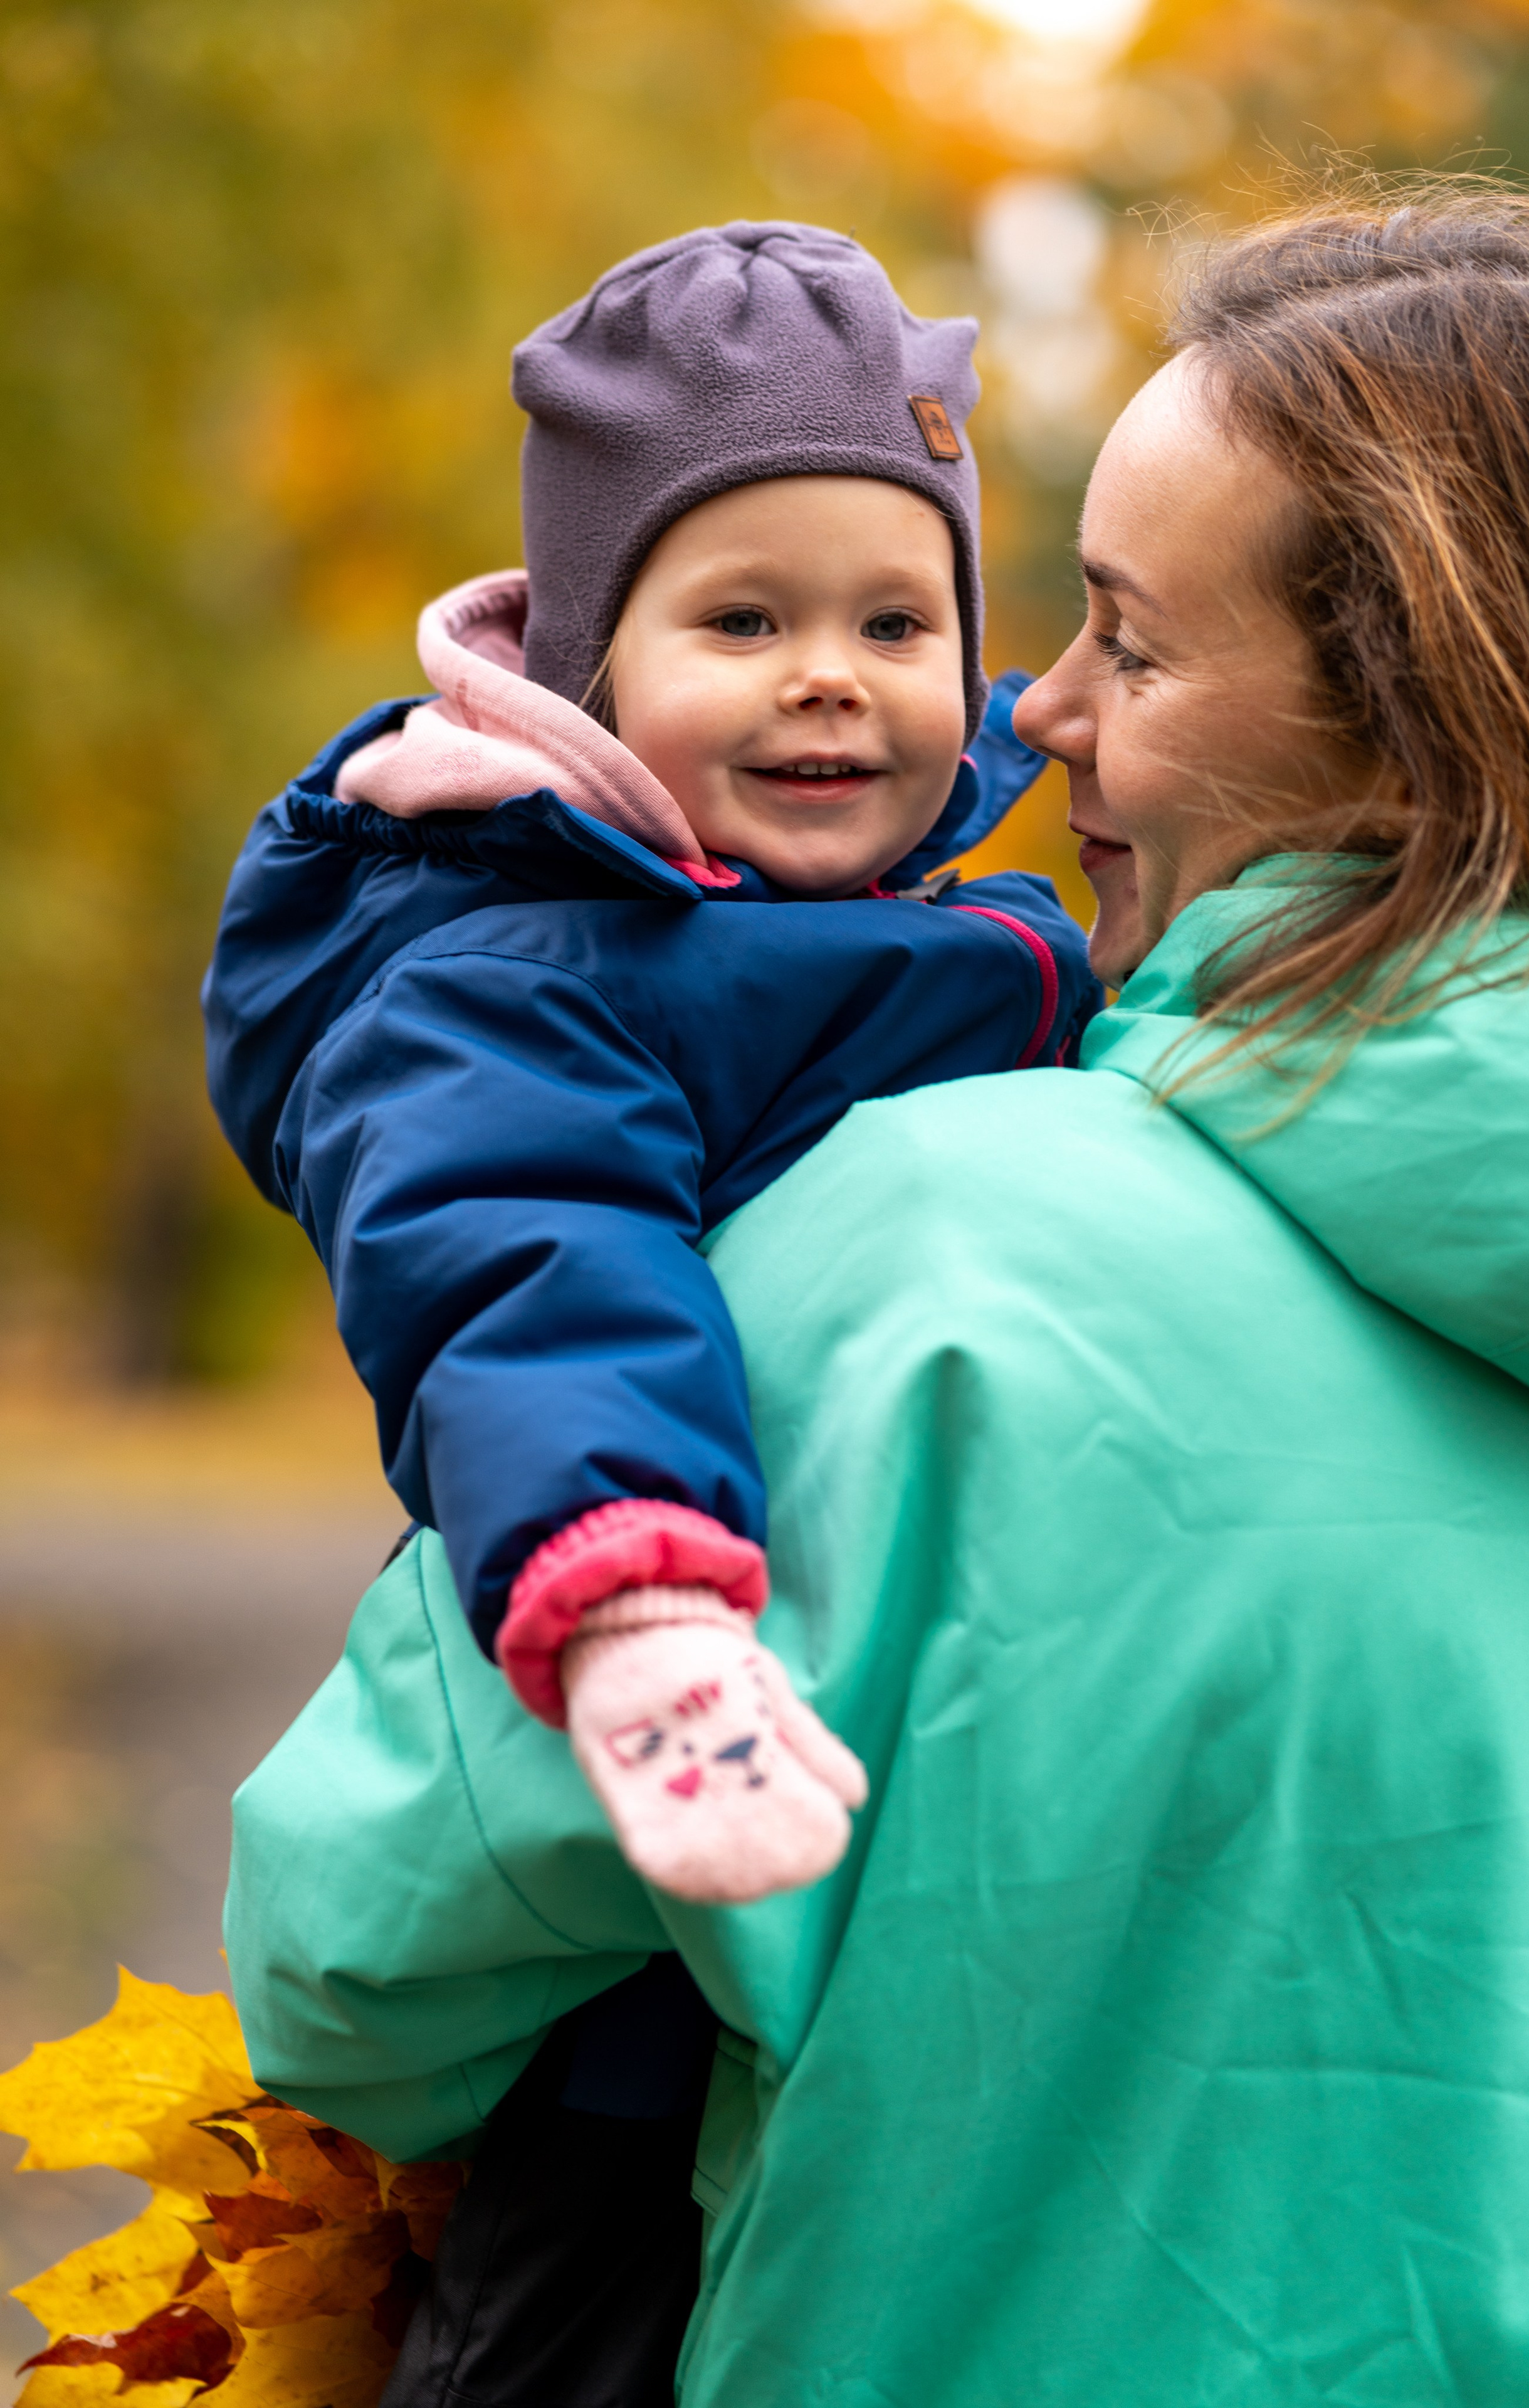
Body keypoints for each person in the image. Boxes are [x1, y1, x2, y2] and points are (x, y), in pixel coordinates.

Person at [234, 180, 1529, 2401]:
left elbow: (356, 1962)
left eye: (1132, 646)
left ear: (1416, 732)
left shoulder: (916, 1257)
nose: (1032, 711)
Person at [208, 221, 1096, 2404]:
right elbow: (523, 1262)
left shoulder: (973, 938)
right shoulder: (520, 967)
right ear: (585, 672)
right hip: (642, 1809)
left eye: (899, 622)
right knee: (577, 2324)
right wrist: (638, 1610)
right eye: (745, 620)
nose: (833, 674)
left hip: (890, 1847)